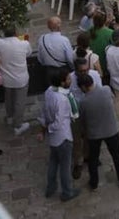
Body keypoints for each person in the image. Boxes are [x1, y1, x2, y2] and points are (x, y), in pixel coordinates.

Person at [76, 72, 119, 190]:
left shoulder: (83, 102)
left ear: (84, 87)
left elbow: (82, 119)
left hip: (94, 134)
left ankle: (94, 183)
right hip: (111, 130)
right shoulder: (106, 90)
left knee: (93, 159)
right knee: (116, 155)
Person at [39, 68, 80, 202]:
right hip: (63, 136)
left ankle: (51, 187)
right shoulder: (62, 99)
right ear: (62, 82)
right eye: (68, 79)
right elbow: (58, 122)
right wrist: (49, 128)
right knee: (65, 166)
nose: (70, 80)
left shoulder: (49, 92)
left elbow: (44, 112)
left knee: (53, 162)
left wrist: (44, 129)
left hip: (53, 139)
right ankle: (67, 191)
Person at [0, 27, 33, 135]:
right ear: (16, 33)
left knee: (9, 99)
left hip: (6, 78)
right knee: (19, 102)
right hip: (21, 79)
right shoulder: (24, 43)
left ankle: (10, 117)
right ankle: (18, 125)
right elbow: (28, 53)